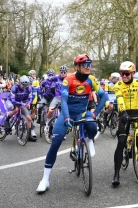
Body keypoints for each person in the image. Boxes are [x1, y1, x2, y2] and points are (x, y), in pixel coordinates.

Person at [36, 54, 108, 193]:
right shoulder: (68, 80)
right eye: (85, 65)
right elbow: (63, 100)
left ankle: (87, 139)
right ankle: (45, 179)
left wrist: (95, 113)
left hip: (82, 113)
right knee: (55, 142)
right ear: (77, 66)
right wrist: (67, 118)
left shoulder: (92, 80)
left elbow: (103, 96)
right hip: (66, 114)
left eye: (90, 64)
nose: (88, 67)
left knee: (93, 127)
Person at [112, 61, 138, 186]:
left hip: (136, 111)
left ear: (133, 73)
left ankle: (137, 144)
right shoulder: (118, 85)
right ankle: (116, 174)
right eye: (122, 73)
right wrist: (123, 112)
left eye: (126, 74)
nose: (124, 76)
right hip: (124, 112)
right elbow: (119, 99)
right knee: (121, 142)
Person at [4, 75, 36, 141]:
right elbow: (13, 100)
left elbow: (30, 98)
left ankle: (29, 135)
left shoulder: (29, 88)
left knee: (29, 118)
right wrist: (22, 103)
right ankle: (7, 119)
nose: (24, 87)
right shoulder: (15, 88)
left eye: (26, 85)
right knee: (15, 109)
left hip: (21, 102)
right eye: (23, 85)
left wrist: (28, 103)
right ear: (20, 83)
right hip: (11, 101)